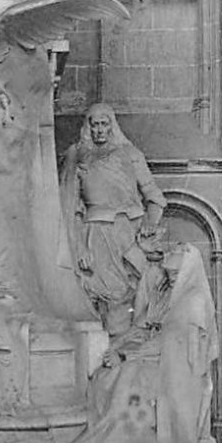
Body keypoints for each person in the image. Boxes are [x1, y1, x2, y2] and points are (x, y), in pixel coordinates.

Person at [70, 243, 218, 443]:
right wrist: (116, 345)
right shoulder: (165, 291)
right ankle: (100, 440)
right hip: (153, 354)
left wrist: (127, 354)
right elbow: (143, 327)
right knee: (105, 375)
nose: (170, 275)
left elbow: (170, 343)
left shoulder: (192, 299)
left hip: (175, 368)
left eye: (175, 272)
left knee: (128, 377)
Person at [60, 103, 166, 335]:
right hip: (96, 235)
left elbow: (154, 197)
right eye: (94, 124)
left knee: (134, 294)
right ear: (88, 127)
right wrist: (78, 247)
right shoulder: (76, 154)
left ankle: (125, 355)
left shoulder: (131, 154)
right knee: (103, 296)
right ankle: (105, 356)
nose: (99, 130)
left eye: (104, 124)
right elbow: (69, 206)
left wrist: (150, 222)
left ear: (112, 126)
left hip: (130, 232)